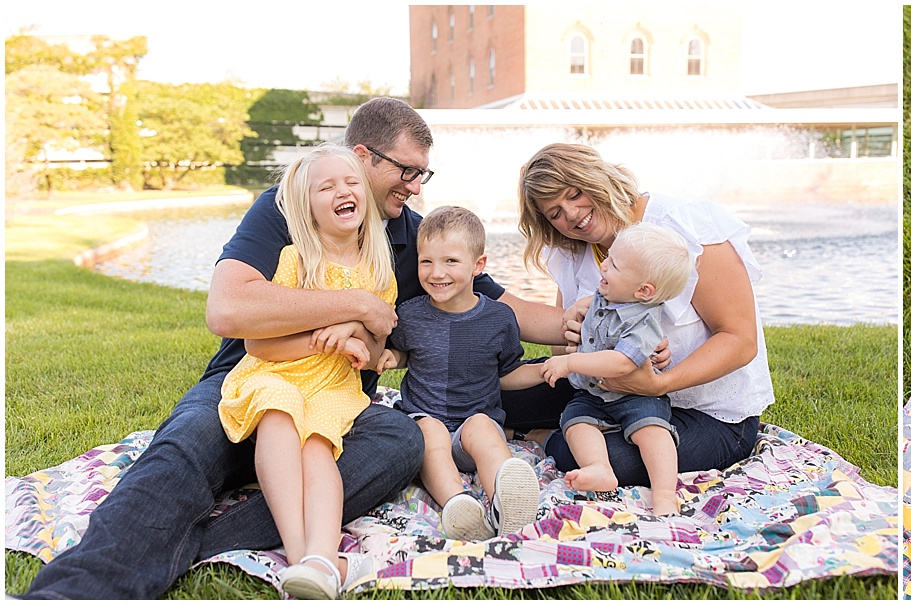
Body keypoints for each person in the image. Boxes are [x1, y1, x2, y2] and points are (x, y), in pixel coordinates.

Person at [22, 97, 566, 599]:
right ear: (362, 157)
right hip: (250, 377)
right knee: (182, 453)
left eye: (423, 174)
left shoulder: (412, 239)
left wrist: (578, 327)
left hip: (336, 401)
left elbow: (492, 302)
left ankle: (204, 545)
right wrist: (353, 303)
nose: (416, 187)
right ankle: (80, 588)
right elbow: (228, 309)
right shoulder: (287, 206)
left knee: (400, 442)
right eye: (406, 171)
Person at [516, 142, 774, 486]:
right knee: (498, 392)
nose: (572, 215)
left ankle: (540, 435)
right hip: (607, 393)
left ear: (596, 178)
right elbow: (566, 353)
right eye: (555, 213)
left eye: (575, 193)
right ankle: (528, 423)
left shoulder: (683, 226)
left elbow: (740, 340)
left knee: (580, 453)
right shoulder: (572, 250)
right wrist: (577, 328)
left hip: (706, 414)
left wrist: (659, 382)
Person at [212, 145, 394, 599]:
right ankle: (306, 560)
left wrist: (355, 334)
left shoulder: (378, 270)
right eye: (326, 187)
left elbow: (376, 349)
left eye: (351, 183)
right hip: (277, 371)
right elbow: (257, 345)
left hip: (334, 383)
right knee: (278, 413)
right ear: (307, 206)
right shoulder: (295, 260)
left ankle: (320, 551)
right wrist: (331, 337)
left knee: (317, 447)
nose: (343, 191)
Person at [377, 206, 546, 542]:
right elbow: (406, 355)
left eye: (451, 261)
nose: (436, 273)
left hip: (474, 426)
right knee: (431, 432)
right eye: (427, 261)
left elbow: (506, 374)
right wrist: (387, 357)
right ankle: (457, 504)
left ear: (478, 265)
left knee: (483, 427)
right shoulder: (409, 315)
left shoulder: (499, 318)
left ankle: (505, 497)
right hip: (426, 421)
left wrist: (545, 370)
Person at [541, 222, 693, 515]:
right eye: (608, 258)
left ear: (644, 290)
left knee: (652, 431)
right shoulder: (611, 295)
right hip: (594, 393)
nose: (603, 267)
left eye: (614, 265)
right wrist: (579, 306)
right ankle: (599, 467)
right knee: (575, 423)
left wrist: (570, 362)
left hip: (637, 396)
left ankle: (664, 494)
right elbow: (595, 304)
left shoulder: (644, 321)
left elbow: (623, 362)